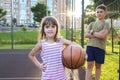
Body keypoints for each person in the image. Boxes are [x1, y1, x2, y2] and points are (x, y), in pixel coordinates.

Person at [85, 4, 110, 80]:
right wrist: (98, 33)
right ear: (95, 13)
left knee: (98, 67)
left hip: (100, 48)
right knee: (89, 66)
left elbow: (103, 36)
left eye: (101, 12)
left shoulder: (106, 24)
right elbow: (86, 35)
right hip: (90, 47)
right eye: (97, 12)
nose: (99, 13)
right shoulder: (91, 24)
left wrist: (92, 32)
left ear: (105, 13)